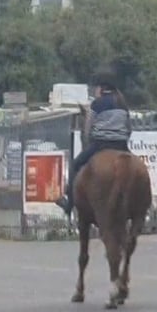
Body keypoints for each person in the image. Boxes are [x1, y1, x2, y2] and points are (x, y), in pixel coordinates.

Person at [54, 66, 132, 217]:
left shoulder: (97, 104)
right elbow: (129, 129)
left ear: (101, 88)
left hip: (101, 144)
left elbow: (88, 127)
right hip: (121, 145)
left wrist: (91, 139)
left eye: (96, 88)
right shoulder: (123, 104)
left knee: (75, 165)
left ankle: (68, 203)